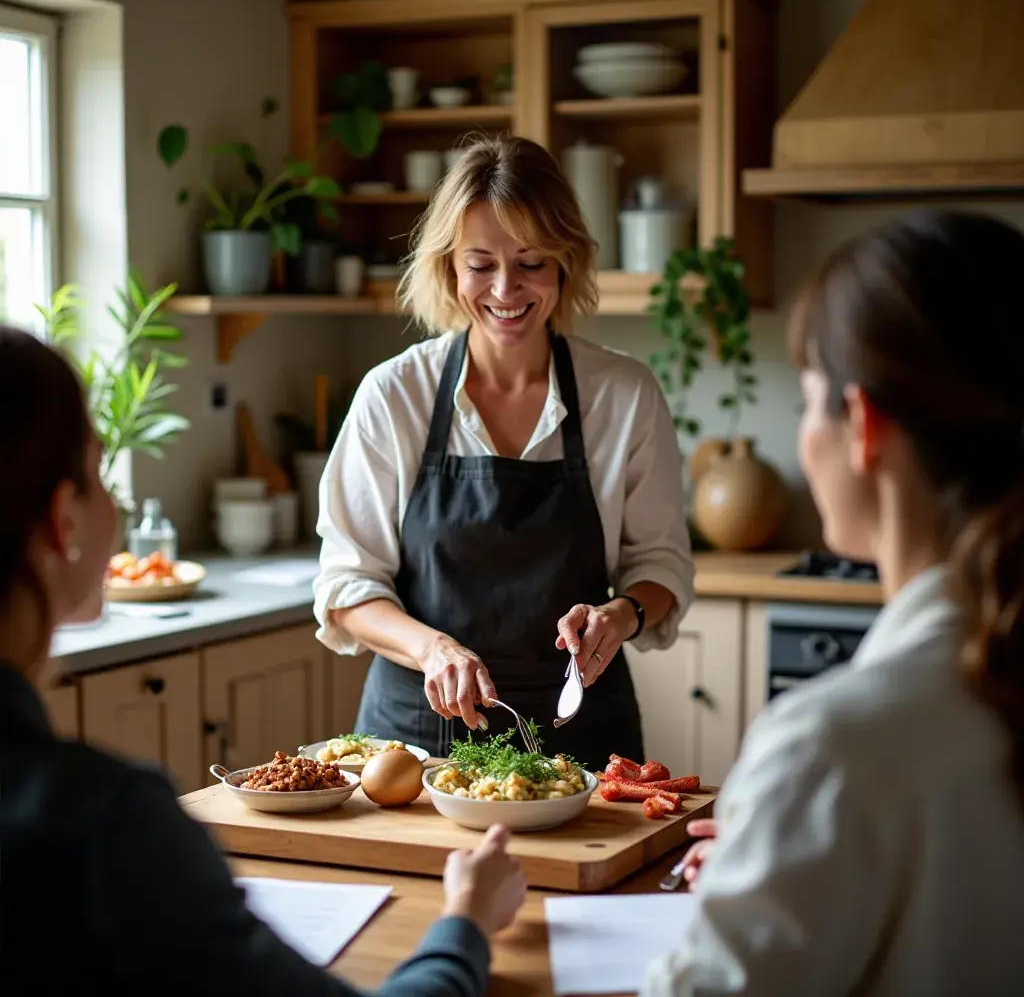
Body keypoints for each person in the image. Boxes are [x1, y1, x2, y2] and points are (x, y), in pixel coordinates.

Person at [0, 325, 526, 996]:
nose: (117, 503)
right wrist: (468, 923)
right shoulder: (109, 825)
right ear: (59, 521)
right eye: (100, 476)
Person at [643, 210, 1024, 996]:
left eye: (806, 400)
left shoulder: (826, 747)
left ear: (861, 425)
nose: (802, 434)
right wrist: (782, 862)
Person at [313, 135, 693, 770]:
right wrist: (435, 650)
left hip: (582, 738)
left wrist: (620, 616)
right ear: (449, 267)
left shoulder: (623, 396)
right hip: (413, 747)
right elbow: (347, 586)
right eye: (480, 263)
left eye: (532, 262)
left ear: (566, 262)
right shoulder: (395, 394)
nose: (505, 289)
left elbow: (660, 566)